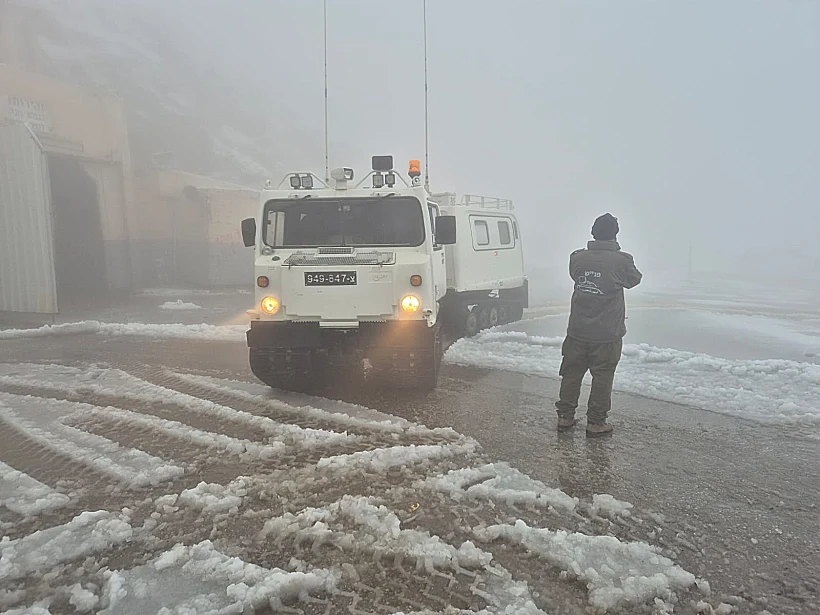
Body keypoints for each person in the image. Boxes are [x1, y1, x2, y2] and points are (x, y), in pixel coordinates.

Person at [555, 213, 642, 437]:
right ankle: (596, 422)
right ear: (615, 235)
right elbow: (634, 280)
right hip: (607, 334)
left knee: (572, 372)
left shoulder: (577, 258)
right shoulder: (623, 261)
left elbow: (576, 276)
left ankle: (565, 417)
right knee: (602, 376)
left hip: (577, 330)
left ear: (593, 232)